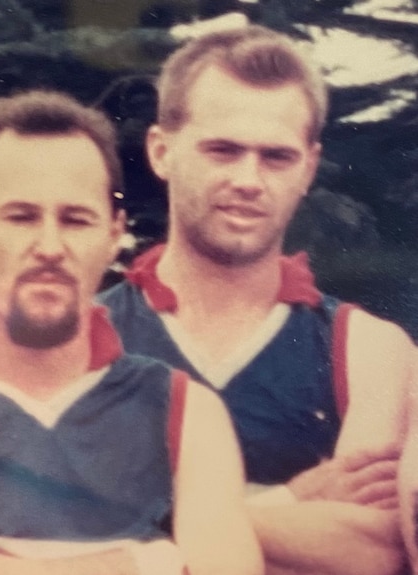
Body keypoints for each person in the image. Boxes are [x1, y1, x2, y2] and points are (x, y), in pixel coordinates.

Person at [0, 90, 263, 575]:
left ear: (114, 233)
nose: (50, 246)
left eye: (76, 220)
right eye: (21, 217)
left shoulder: (185, 411)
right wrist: (149, 558)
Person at [98, 25, 411, 575]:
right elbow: (44, 532)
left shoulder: (366, 349)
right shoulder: (86, 336)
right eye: (222, 150)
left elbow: (375, 551)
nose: (248, 179)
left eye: (276, 157)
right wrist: (290, 503)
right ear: (161, 150)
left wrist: (130, 529)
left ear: (308, 168)